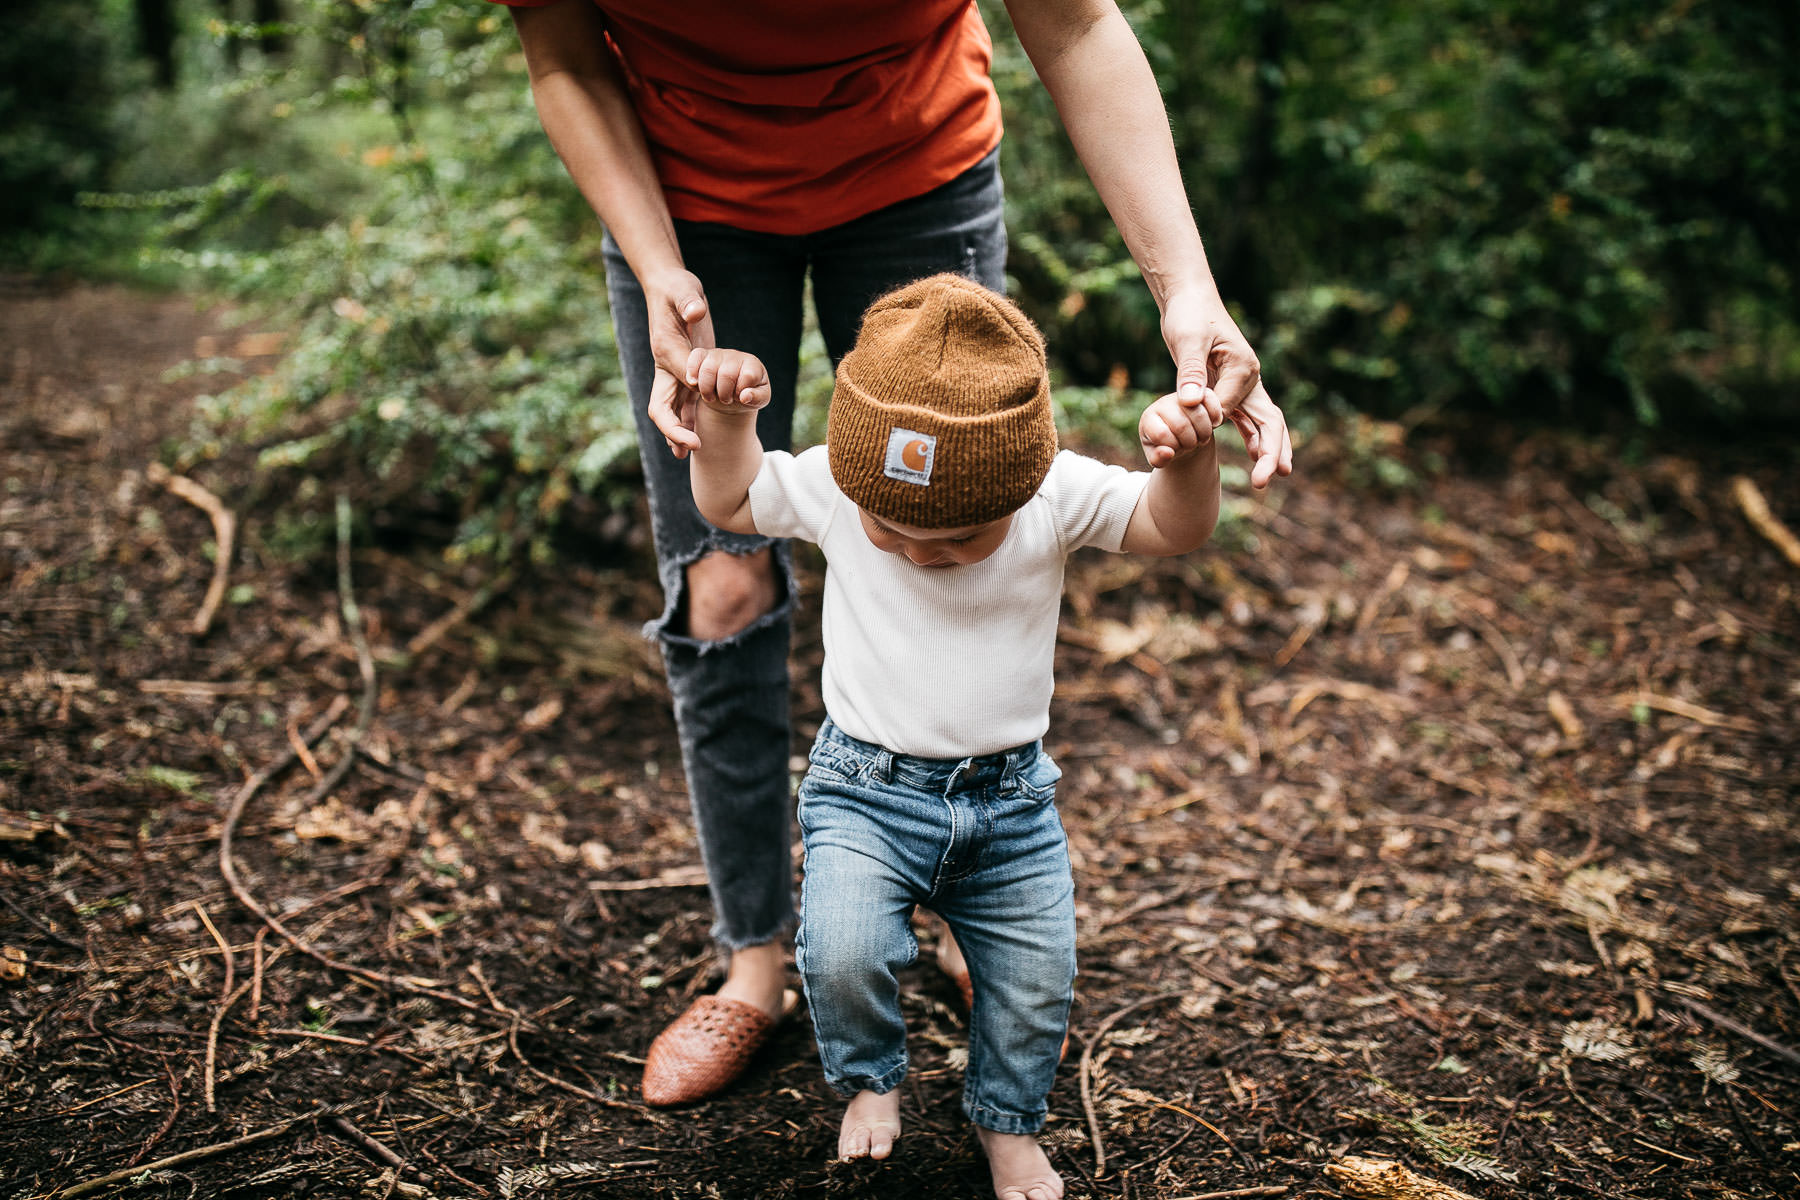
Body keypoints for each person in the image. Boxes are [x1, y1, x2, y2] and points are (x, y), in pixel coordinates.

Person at [494, 0, 1292, 1106]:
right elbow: (567, 59)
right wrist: (659, 268)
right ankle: (759, 960)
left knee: (971, 514)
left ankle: (976, 917)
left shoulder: (1063, 492)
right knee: (723, 579)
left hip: (917, 177)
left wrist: (1188, 291)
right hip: (689, 203)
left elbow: (1073, 24)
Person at [683, 273, 1222, 1200]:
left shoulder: (1053, 493)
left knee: (1035, 981)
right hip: (863, 789)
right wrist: (728, 422)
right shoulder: (834, 486)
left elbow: (1170, 529)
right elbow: (731, 503)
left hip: (1008, 804)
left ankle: (1005, 1122)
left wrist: (1187, 464)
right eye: (889, 529)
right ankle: (870, 1084)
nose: (923, 550)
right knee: (843, 953)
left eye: (964, 535)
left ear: (1021, 482)